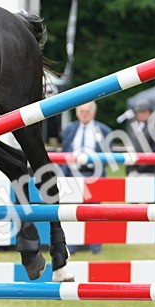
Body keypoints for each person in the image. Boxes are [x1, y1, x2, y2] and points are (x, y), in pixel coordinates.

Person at [60, 102, 110, 253]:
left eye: (87, 111)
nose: (84, 114)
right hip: (72, 175)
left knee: (95, 211)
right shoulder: (68, 129)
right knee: (72, 210)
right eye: (82, 111)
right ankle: (73, 244)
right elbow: (64, 150)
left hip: (93, 175)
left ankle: (95, 244)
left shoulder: (104, 130)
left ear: (93, 113)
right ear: (77, 113)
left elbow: (109, 155)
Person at [124, 99, 155, 174]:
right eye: (139, 112)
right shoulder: (134, 126)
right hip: (133, 167)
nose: (141, 114)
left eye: (144, 112)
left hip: (148, 169)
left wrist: (142, 165)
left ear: (150, 112)